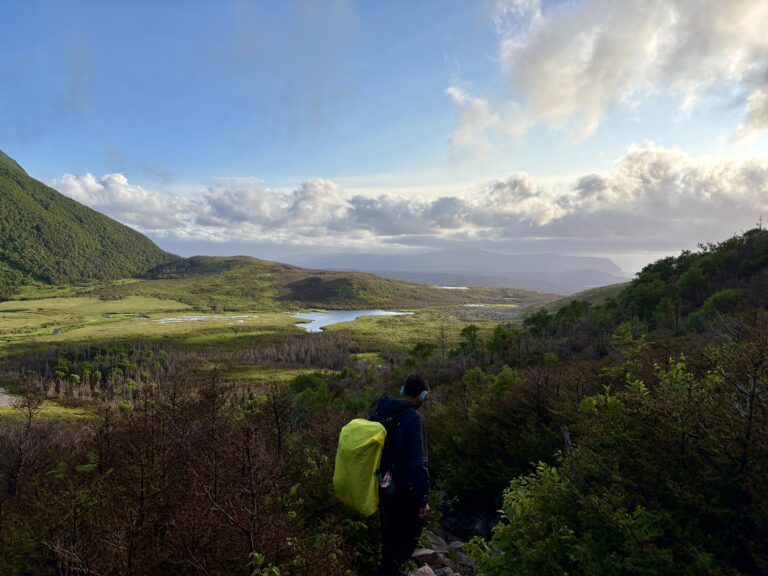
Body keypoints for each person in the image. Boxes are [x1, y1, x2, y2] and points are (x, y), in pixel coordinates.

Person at [371, 374, 430, 576]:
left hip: (384, 485)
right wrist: (423, 499)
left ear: (402, 392)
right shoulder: (414, 419)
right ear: (423, 396)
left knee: (389, 535)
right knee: (407, 537)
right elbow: (418, 463)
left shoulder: (381, 413)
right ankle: (389, 570)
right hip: (406, 490)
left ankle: (388, 568)